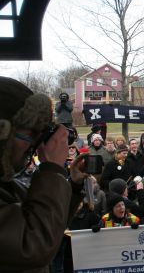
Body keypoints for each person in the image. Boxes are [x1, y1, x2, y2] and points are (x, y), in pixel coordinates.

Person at [0, 77, 86, 272]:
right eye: (30, 134)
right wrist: (52, 170)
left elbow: (47, 226)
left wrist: (71, 185)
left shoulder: (8, 185)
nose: (35, 144)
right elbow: (33, 244)